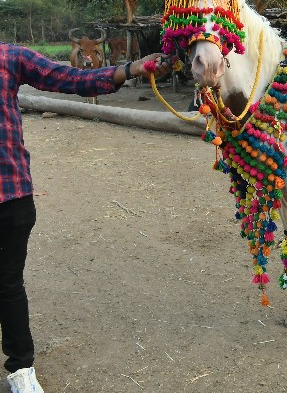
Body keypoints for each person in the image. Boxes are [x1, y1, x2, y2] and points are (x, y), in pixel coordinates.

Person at [0, 43, 173, 393]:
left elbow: (71, 78)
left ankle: (21, 367)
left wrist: (131, 70)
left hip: (9, 196)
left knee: (7, 284)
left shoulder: (9, 58)